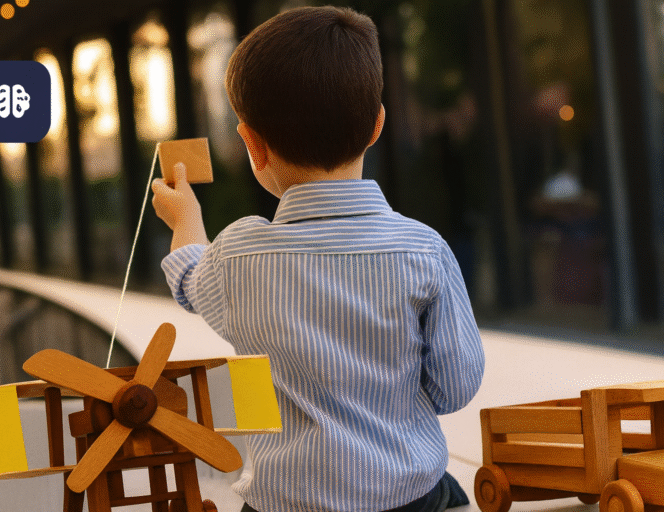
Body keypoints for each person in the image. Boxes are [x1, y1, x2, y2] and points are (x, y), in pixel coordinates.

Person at [152, 6, 484, 512]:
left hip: (281, 502)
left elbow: (191, 278)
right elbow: (455, 387)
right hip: (408, 498)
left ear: (252, 145)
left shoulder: (239, 254)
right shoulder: (424, 250)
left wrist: (185, 221)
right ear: (377, 126)